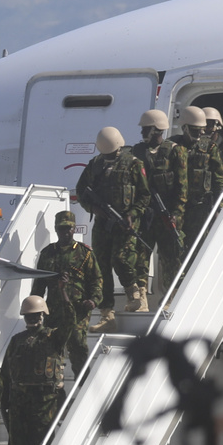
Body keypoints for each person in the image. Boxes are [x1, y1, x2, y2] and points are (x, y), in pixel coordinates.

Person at [76, 126, 151, 332]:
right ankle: (107, 315)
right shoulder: (95, 164)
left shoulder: (134, 164)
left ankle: (134, 294)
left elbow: (145, 195)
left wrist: (132, 215)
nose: (108, 156)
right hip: (103, 224)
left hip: (125, 223)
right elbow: (82, 191)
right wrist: (93, 208)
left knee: (121, 258)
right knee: (100, 268)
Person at [31, 210, 102, 377]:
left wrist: (94, 300)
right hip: (54, 312)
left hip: (78, 311)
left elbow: (96, 281)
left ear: (74, 229)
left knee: (78, 347)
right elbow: (39, 285)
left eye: (68, 228)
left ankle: (83, 387)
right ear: (56, 229)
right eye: (62, 228)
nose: (65, 232)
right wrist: (35, 308)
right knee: (50, 351)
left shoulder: (85, 253)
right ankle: (53, 388)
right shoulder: (48, 253)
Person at [1, 295, 71, 445]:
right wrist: (4, 403)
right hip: (19, 403)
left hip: (44, 402)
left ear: (43, 315)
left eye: (36, 314)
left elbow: (69, 323)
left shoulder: (54, 338)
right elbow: (5, 375)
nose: (32, 318)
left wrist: (65, 298)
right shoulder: (17, 340)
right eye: (28, 315)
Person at [130, 109, 187, 300]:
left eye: (146, 129)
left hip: (166, 215)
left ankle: (172, 298)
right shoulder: (136, 153)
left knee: (171, 259)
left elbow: (182, 188)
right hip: (145, 216)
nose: (142, 133)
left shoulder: (175, 152)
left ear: (156, 130)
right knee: (140, 258)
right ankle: (141, 298)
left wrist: (176, 214)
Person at [173, 107, 223, 254]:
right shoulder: (173, 147)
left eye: (202, 129)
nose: (201, 133)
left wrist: (218, 207)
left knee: (200, 246)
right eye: (196, 130)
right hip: (178, 208)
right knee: (176, 248)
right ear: (185, 128)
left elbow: (219, 179)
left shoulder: (210, 148)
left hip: (200, 207)